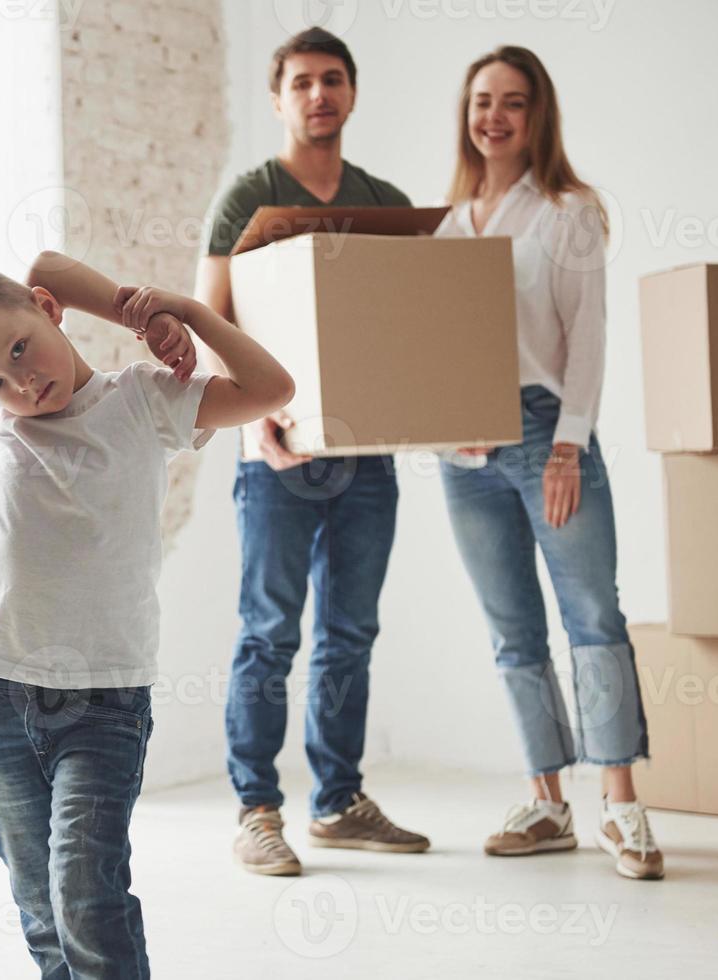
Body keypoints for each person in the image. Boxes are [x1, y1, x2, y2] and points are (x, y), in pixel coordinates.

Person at [0, 253, 293, 976]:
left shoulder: (143, 400)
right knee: (39, 906)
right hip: (3, 697)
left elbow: (271, 388)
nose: (22, 382)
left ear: (47, 308)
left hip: (104, 703)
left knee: (85, 893)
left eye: (21, 349)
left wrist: (169, 310)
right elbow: (37, 281)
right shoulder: (8, 422)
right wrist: (30, 346)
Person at [194, 27, 429, 877]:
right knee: (268, 633)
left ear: (352, 93)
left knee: (349, 633)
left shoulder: (383, 198)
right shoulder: (250, 194)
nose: (317, 95)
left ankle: (337, 803)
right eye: (300, 82)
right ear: (278, 99)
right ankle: (257, 811)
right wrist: (251, 421)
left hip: (368, 456)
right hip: (277, 452)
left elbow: (411, 325)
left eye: (332, 80)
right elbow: (209, 312)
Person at [434, 45, 664, 880]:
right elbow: (431, 348)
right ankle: (546, 802)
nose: (493, 116)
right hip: (462, 449)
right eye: (480, 101)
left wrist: (567, 443)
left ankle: (621, 806)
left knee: (591, 618)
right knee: (511, 633)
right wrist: (443, 429)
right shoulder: (450, 224)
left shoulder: (567, 211)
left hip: (543, 433)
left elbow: (588, 340)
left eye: (512, 102)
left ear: (538, 115)